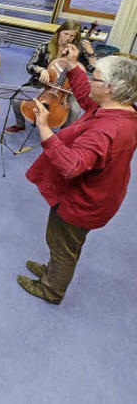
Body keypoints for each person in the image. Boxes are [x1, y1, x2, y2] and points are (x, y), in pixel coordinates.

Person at [17, 51, 137, 304]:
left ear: (110, 88)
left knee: (64, 247)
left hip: (84, 201)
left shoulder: (107, 129)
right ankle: (52, 270)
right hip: (96, 193)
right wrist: (72, 66)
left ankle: (51, 290)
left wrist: (44, 126)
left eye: (95, 78)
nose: (90, 81)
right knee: (62, 242)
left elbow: (70, 165)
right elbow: (84, 95)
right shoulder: (120, 109)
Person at [5, 20, 97, 134]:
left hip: (66, 89)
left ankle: (64, 134)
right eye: (65, 34)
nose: (68, 38)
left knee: (74, 109)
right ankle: (20, 124)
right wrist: (41, 70)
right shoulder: (44, 47)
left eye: (72, 36)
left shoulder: (77, 52)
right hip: (44, 85)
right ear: (59, 32)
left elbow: (94, 70)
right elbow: (30, 66)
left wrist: (91, 53)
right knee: (16, 99)